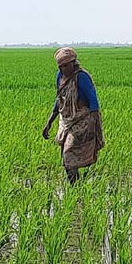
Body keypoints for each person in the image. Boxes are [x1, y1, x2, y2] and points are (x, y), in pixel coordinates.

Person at [42, 47, 104, 184]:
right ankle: (75, 186)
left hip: (82, 119)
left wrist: (95, 125)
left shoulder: (82, 77)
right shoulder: (60, 77)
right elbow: (59, 100)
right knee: (65, 157)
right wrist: (49, 123)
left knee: (68, 153)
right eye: (61, 66)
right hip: (66, 119)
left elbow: (93, 102)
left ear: (73, 63)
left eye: (66, 65)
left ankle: (75, 187)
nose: (64, 69)